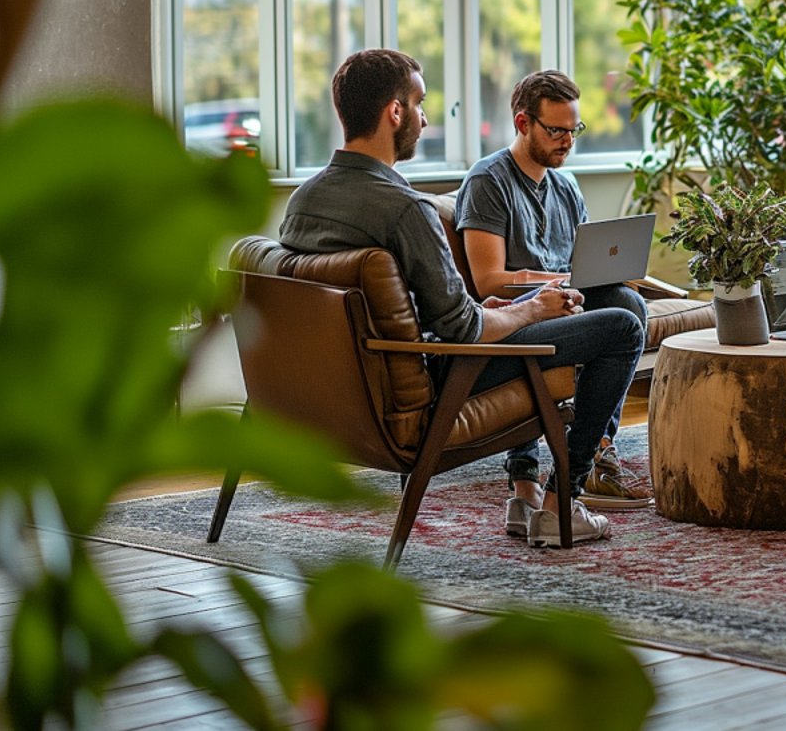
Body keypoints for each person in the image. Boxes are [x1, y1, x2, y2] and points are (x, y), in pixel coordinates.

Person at [279, 50, 645, 548]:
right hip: (442, 378)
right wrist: (532, 306)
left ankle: (532, 493)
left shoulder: (303, 201)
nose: (427, 117)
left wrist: (491, 309)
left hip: (342, 393)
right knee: (622, 326)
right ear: (395, 112)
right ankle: (563, 504)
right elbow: (464, 332)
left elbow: (451, 313)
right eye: (421, 103)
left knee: (606, 306)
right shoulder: (405, 209)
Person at [456, 69, 653, 512]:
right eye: (557, 131)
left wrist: (600, 275)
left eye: (574, 130)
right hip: (517, 311)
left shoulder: (566, 186)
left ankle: (601, 447)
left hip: (566, 302)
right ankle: (528, 474)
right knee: (601, 318)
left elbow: (583, 264)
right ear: (523, 124)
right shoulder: (489, 181)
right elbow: (488, 280)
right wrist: (556, 283)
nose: (568, 141)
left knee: (627, 302)